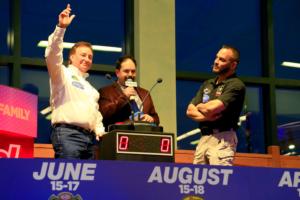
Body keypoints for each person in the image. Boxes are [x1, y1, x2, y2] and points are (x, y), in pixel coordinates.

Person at [45, 4, 105, 159]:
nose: (87, 59)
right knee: (68, 180)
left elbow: (95, 114)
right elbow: (53, 54)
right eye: (83, 55)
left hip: (90, 140)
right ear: (71, 57)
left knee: (87, 183)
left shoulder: (91, 89)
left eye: (90, 57)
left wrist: (100, 131)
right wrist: (61, 28)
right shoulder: (62, 74)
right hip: (67, 135)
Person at [186, 45, 245, 166]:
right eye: (216, 58)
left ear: (233, 65)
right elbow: (189, 111)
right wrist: (207, 117)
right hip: (203, 138)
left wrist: (201, 106)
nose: (216, 62)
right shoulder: (208, 84)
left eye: (222, 60)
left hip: (223, 138)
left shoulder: (236, 85)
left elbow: (210, 108)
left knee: (219, 181)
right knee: (199, 181)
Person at [98, 55, 159, 130]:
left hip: (143, 136)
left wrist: (151, 119)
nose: (130, 74)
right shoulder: (106, 91)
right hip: (119, 137)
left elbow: (156, 118)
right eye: (126, 71)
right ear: (117, 73)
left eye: (133, 71)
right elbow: (103, 114)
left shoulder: (145, 93)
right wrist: (123, 96)